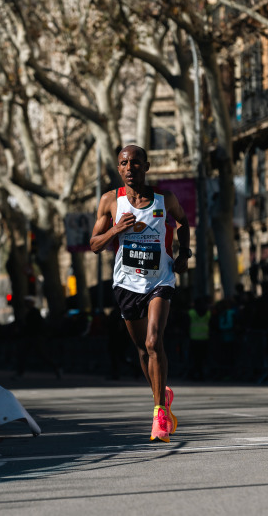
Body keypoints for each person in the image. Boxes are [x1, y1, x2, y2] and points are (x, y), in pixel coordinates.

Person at [90, 145, 190, 442]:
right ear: (118, 168)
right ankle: (161, 397)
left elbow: (183, 221)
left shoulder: (164, 198)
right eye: (124, 163)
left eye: (135, 162)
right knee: (141, 349)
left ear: (146, 166)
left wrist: (185, 253)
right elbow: (95, 244)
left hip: (160, 279)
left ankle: (159, 412)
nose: (130, 167)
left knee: (153, 340)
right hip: (126, 283)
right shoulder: (110, 201)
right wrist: (116, 230)